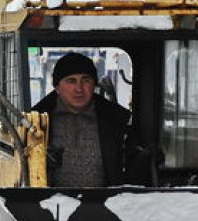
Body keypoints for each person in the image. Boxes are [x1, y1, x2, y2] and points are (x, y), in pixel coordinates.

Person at [32, 51, 150, 187]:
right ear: (57, 88)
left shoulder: (117, 121)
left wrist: (144, 160)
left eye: (86, 80)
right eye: (71, 81)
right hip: (49, 204)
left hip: (105, 203)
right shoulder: (36, 121)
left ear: (94, 85)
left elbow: (130, 168)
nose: (79, 88)